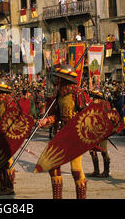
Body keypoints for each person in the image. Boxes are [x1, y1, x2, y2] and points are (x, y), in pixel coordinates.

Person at [37, 64, 91, 199]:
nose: (56, 80)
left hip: (75, 135)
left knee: (76, 169)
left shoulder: (77, 92)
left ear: (64, 79)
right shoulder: (60, 94)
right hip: (62, 134)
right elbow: (57, 116)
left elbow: (87, 114)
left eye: (58, 78)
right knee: (53, 165)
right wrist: (46, 121)